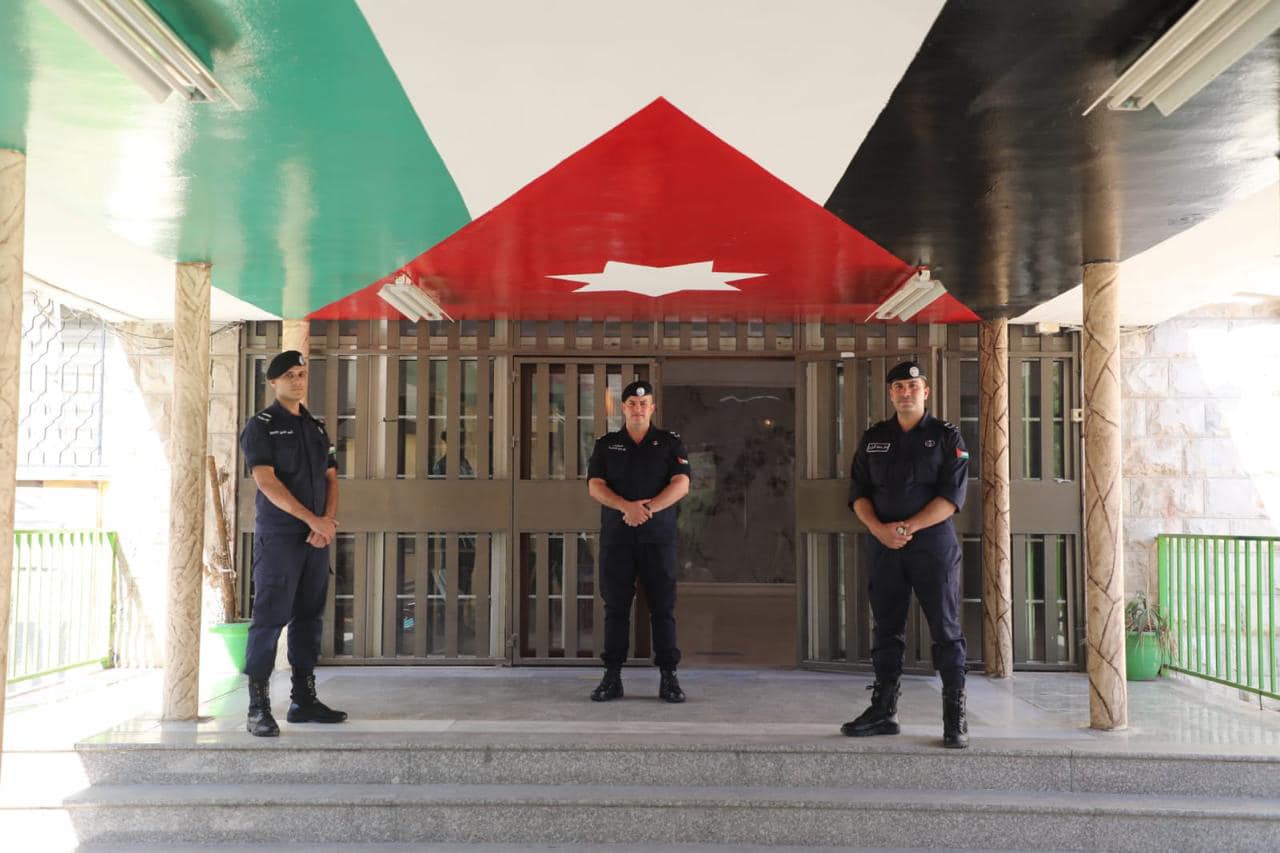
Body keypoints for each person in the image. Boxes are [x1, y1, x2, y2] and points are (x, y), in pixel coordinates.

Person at [842, 360, 971, 748]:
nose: (905, 392)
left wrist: (908, 528)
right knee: (886, 629)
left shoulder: (946, 436)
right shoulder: (874, 438)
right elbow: (858, 493)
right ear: (890, 393)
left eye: (913, 387)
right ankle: (884, 711)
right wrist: (880, 530)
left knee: (946, 630)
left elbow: (952, 497)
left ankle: (954, 718)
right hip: (885, 547)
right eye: (898, 386)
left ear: (925, 392)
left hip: (932, 547)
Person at [238, 350, 348, 736]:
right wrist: (310, 519)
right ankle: (257, 707)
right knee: (269, 619)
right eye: (289, 375)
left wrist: (326, 523)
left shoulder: (316, 428)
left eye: (302, 374)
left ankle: (303, 700)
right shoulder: (261, 426)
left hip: (315, 539)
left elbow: (332, 479)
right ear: (273, 382)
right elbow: (266, 482)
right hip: (281, 537)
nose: (298, 381)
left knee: (309, 617)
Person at [586, 379, 692, 703]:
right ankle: (612, 677)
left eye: (644, 404)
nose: (638, 408)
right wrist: (625, 507)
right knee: (616, 607)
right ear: (623, 408)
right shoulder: (607, 445)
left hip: (657, 538)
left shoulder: (670, 443)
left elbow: (682, 483)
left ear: (652, 408)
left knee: (663, 607)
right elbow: (595, 485)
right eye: (632, 403)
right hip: (618, 539)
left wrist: (646, 510)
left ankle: (669, 677)